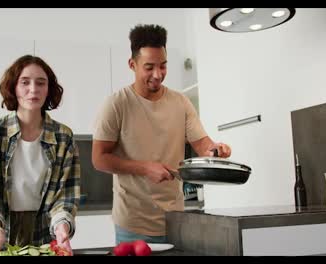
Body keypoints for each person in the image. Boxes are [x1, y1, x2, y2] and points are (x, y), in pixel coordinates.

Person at [91, 24, 231, 244]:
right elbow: (99, 158)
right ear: (132, 64)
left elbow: (203, 145)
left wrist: (215, 151)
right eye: (149, 67)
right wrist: (145, 168)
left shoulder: (180, 102)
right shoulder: (117, 104)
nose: (158, 75)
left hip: (176, 219)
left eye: (163, 66)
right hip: (132, 224)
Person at [0, 55, 81, 256]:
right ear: (13, 87)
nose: (33, 89)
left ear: (49, 89)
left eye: (41, 83)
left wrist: (62, 227)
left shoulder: (64, 138)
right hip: (0, 232)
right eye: (25, 82)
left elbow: (65, 196)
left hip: (46, 235)